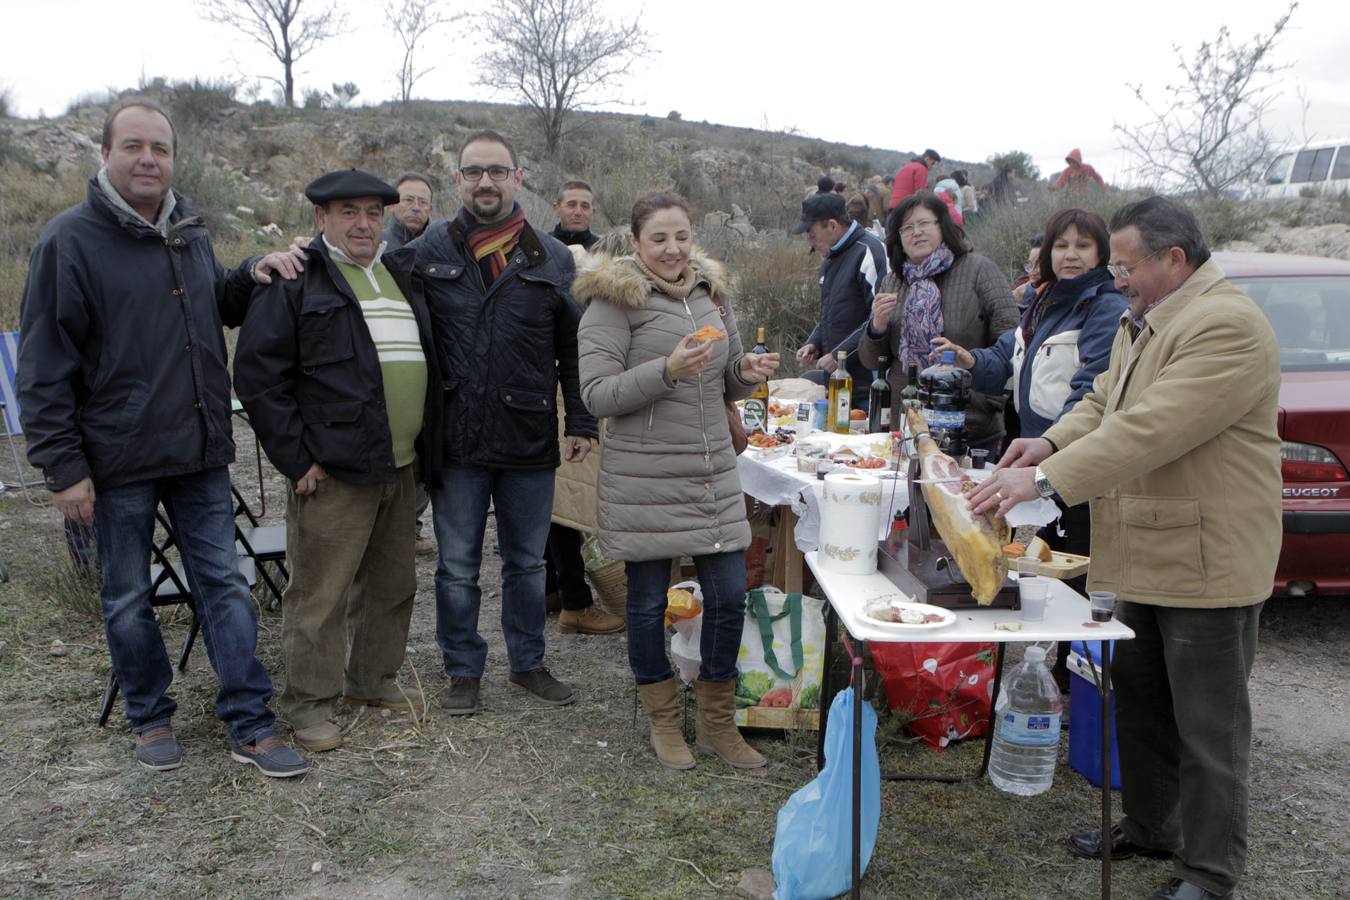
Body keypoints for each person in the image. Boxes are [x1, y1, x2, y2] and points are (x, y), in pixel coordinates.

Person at [968, 196, 1282, 900]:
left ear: (1174, 259)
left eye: (1125, 265)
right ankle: (1149, 828)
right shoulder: (1143, 324)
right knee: (1139, 706)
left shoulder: (1225, 326)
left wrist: (1043, 477)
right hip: (1145, 552)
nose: (1115, 279)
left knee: (1208, 729)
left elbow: (1150, 429)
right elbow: (1103, 403)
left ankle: (1208, 873)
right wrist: (1047, 439)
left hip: (1210, 563)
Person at [17, 98, 307, 777]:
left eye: (161, 148)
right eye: (134, 146)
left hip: (199, 451)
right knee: (125, 595)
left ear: (174, 159)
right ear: (106, 154)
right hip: (118, 461)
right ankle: (149, 716)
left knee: (226, 587)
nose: (149, 158)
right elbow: (43, 364)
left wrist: (250, 273)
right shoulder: (69, 240)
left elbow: (211, 306)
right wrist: (62, 467)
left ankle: (250, 722)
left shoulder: (190, 231)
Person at [234, 169, 444, 752]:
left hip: (400, 466)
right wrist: (296, 457)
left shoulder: (399, 276)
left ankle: (371, 683)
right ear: (320, 218)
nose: (363, 223)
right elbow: (257, 376)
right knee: (319, 595)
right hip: (331, 471)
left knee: (393, 585)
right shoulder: (297, 281)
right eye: (348, 211)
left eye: (373, 212)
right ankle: (309, 705)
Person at [575, 192, 781, 770]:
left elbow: (728, 381)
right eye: (659, 238)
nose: (673, 249)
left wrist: (747, 372)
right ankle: (665, 722)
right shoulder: (613, 304)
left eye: (682, 236)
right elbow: (597, 395)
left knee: (728, 596)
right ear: (636, 243)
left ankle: (717, 722)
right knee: (645, 606)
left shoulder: (712, 296)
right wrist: (665, 370)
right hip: (645, 478)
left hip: (711, 471)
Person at [411, 130, 598, 716]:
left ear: (518, 179)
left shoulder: (553, 256)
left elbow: (573, 346)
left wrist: (582, 420)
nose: (485, 182)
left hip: (527, 435)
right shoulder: (430, 251)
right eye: (473, 172)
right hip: (456, 437)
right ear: (457, 180)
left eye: (497, 171)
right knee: (458, 566)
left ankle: (528, 664)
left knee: (527, 561)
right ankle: (462, 669)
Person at [931, 208, 1127, 690]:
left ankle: (1069, 676)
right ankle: (1044, 664)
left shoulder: (1103, 309)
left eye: (1083, 245)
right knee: (1041, 559)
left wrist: (1056, 445)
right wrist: (970, 359)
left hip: (1073, 457)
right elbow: (1005, 358)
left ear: (1101, 251)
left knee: (1076, 565)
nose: (1071, 255)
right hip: (1030, 450)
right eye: (1062, 246)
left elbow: (1091, 389)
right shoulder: (1042, 303)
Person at [860, 191, 1018, 451]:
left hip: (968, 423)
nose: (916, 232)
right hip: (905, 422)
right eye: (907, 228)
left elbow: (1012, 343)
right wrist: (876, 327)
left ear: (943, 226)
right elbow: (871, 361)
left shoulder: (978, 270)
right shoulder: (893, 281)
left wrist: (987, 392)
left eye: (924, 223)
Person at [544, 179, 625, 636]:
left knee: (566, 499)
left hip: (581, 390)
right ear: (558, 206)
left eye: (585, 205)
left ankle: (563, 592)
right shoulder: (543, 251)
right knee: (565, 499)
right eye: (570, 203)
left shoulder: (600, 256)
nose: (577, 211)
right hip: (565, 389)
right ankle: (568, 596)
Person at [790, 193, 889, 407]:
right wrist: (814, 342)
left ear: (832, 226)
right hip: (838, 383)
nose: (810, 241)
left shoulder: (869, 252)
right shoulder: (830, 259)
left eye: (812, 233)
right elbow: (833, 313)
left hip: (866, 387)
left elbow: (880, 318)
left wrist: (838, 356)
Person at [383, 173, 434, 251]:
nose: (416, 208)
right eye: (408, 200)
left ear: (430, 210)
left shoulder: (440, 249)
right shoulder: (376, 245)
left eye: (423, 202)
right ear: (392, 205)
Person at [551, 179, 600, 251]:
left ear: (593, 212)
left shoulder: (603, 250)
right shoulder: (542, 246)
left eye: (585, 206)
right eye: (571, 205)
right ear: (557, 209)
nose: (578, 212)